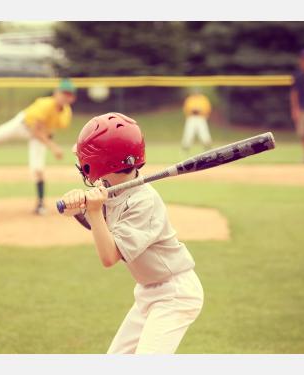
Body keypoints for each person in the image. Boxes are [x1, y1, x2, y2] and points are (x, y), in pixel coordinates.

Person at [60, 113, 204, 354]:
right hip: (148, 292)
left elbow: (109, 256)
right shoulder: (110, 188)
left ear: (102, 162)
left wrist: (94, 211)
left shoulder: (143, 201)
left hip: (175, 294)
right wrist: (76, 209)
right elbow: (99, 226)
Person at [0, 78, 77, 215]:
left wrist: (49, 141)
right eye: (63, 93)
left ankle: (40, 205)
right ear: (56, 93)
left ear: (73, 98)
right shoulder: (45, 104)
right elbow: (35, 130)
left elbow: (49, 129)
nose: (65, 97)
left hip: (38, 135)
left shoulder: (66, 114)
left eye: (69, 94)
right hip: (23, 125)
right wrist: (52, 146)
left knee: (38, 169)